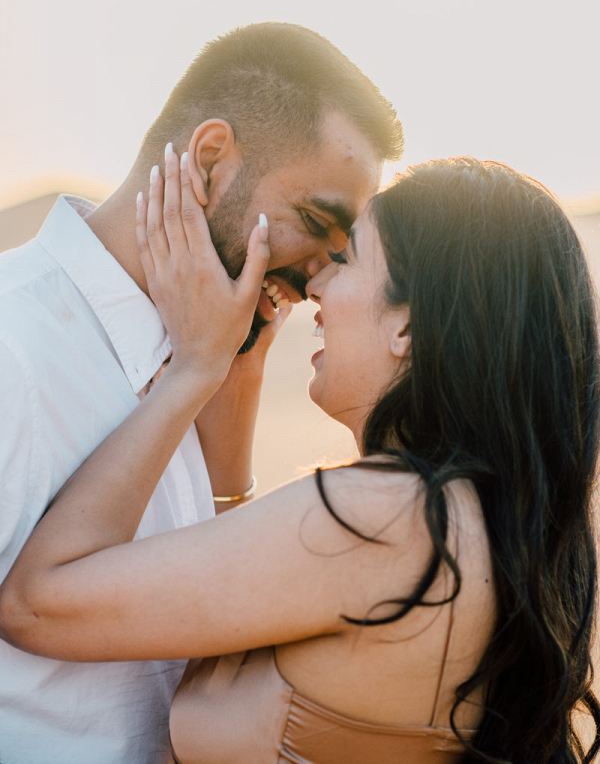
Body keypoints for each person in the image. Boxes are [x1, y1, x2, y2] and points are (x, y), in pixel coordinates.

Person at [2, 155, 598, 764]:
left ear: (408, 326)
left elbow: (37, 602)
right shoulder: (463, 519)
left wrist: (194, 369)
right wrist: (238, 378)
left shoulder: (383, 518)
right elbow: (254, 581)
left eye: (346, 260)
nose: (314, 286)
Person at [0, 22, 403, 764]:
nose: (319, 277)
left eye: (341, 253)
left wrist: (226, 376)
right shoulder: (13, 346)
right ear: (210, 158)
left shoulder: (203, 350)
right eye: (317, 223)